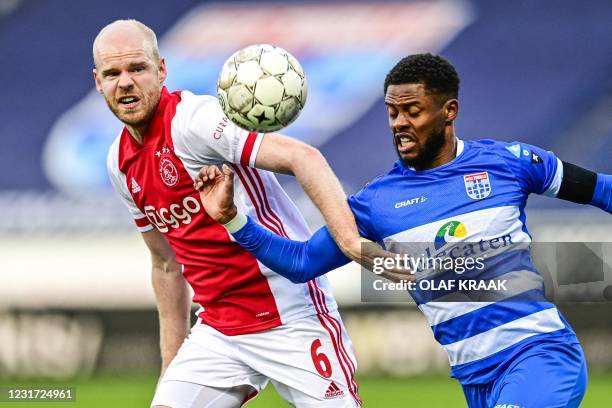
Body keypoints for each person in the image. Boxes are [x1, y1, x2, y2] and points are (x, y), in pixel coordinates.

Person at [198, 53, 611, 408]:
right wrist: (234, 220)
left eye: (413, 111)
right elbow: (303, 261)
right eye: (393, 112)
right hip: (475, 378)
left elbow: (602, 190)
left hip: (540, 355)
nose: (399, 123)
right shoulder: (377, 202)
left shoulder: (510, 163)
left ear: (449, 111)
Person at [95, 19, 368, 408]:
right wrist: (172, 366)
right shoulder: (119, 163)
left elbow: (302, 157)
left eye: (137, 68)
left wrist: (348, 240)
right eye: (112, 73)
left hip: (288, 314)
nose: (124, 82)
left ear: (161, 70)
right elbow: (166, 264)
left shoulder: (195, 121)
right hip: (219, 330)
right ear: (97, 82)